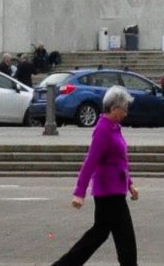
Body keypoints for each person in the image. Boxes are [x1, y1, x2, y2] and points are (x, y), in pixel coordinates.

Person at [49, 84, 139, 266]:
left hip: (114, 190)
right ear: (114, 108)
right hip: (109, 193)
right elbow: (90, 162)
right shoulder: (103, 130)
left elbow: (119, 161)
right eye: (124, 109)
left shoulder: (114, 127)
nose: (126, 113)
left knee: (98, 234)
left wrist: (129, 184)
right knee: (125, 238)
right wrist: (79, 192)